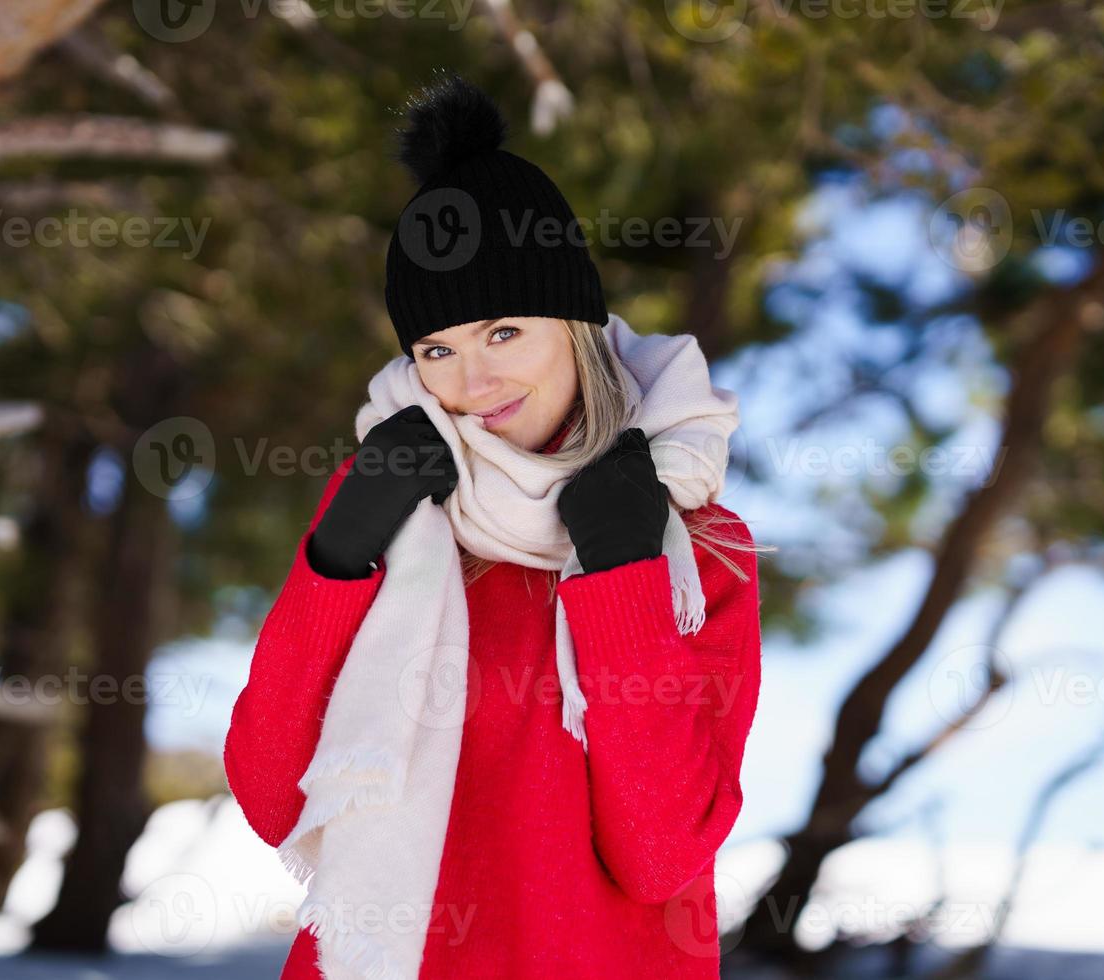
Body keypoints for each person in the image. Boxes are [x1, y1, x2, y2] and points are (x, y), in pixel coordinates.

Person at [223, 72, 766, 980]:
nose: (472, 384)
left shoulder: (697, 547)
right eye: (437, 350)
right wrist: (336, 557)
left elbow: (662, 853)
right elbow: (272, 792)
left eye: (503, 332)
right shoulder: (388, 514)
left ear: (574, 323)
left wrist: (623, 578)